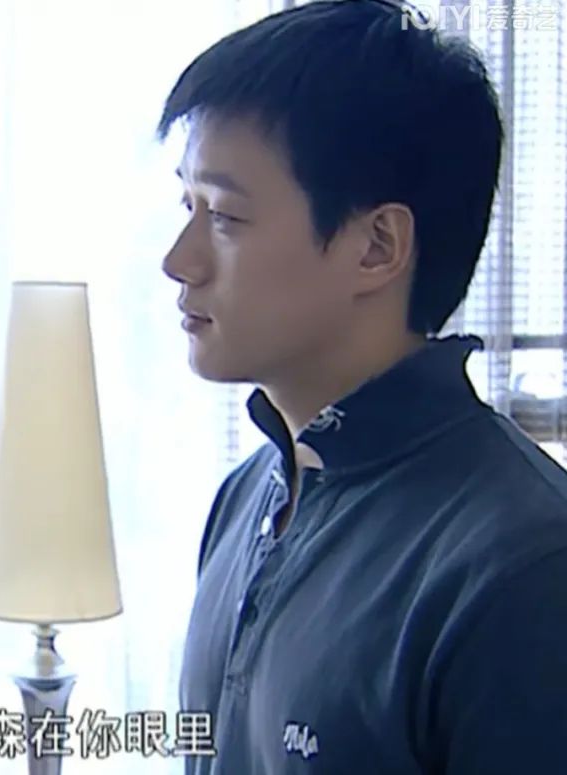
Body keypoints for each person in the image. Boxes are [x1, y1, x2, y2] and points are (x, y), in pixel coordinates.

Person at [158, 1, 567, 773]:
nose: (179, 259)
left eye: (226, 216)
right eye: (188, 205)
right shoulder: (246, 497)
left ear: (377, 246)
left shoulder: (524, 565)